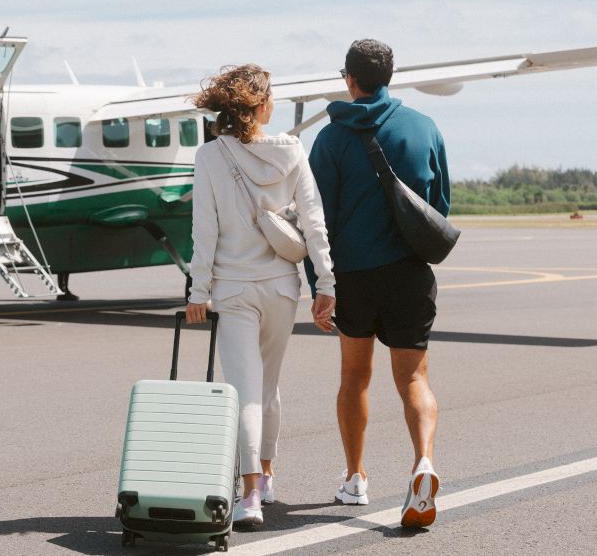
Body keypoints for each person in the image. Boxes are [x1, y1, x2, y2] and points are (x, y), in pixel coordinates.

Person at [307, 39, 449, 529]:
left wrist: (319, 284)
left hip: (353, 277)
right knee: (414, 379)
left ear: (349, 78)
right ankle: (424, 462)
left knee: (354, 377)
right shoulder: (424, 127)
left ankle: (355, 478)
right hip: (410, 273)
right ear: (390, 74)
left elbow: (317, 220)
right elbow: (438, 206)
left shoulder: (329, 139)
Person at [186, 64, 335, 527]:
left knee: (244, 391)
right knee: (268, 387)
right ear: (263, 106)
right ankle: (266, 476)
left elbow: (204, 231)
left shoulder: (210, 156)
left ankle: (249, 495)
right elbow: (313, 222)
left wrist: (199, 289)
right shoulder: (291, 150)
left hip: (232, 290)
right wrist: (325, 284)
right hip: (281, 288)